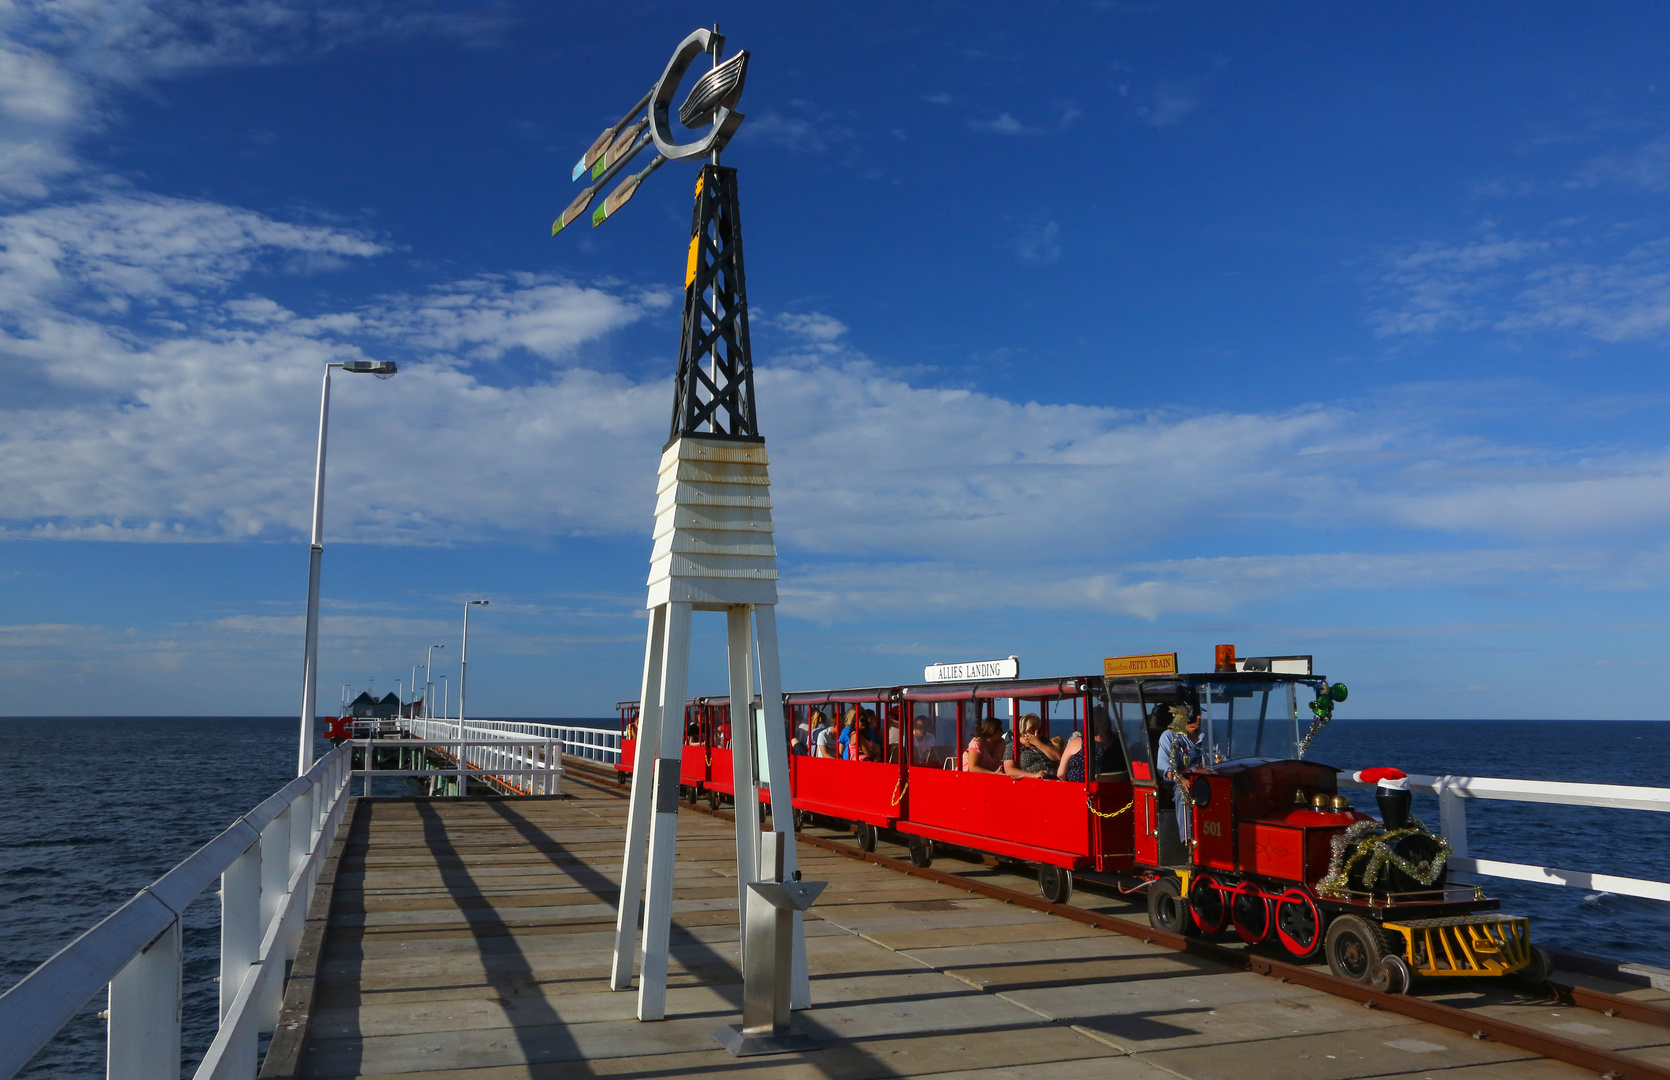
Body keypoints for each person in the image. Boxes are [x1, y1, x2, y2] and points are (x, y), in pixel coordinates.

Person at [1156, 706, 1204, 851]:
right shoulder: (1169, 736)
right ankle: (1189, 843)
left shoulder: (1208, 736)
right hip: (1179, 781)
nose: (1198, 719)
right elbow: (1164, 769)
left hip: (1207, 779)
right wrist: (1180, 779)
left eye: (1199, 715)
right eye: (1194, 716)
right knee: (1183, 792)